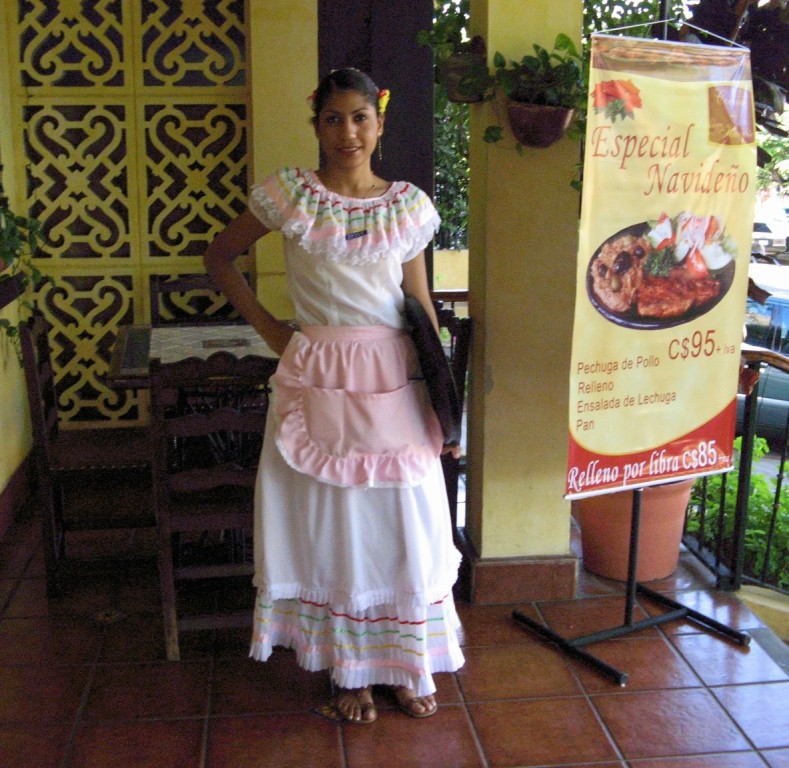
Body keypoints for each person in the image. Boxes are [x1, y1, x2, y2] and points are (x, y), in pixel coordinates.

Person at [203, 67, 465, 724]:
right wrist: (274, 332)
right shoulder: (291, 196)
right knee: (337, 528)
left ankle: (407, 665)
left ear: (379, 123)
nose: (347, 132)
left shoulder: (407, 204)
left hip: (393, 377)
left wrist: (442, 394)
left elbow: (419, 299)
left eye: (359, 118)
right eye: (333, 118)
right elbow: (219, 257)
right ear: (316, 124)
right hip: (317, 372)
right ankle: (348, 671)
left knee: (405, 522)